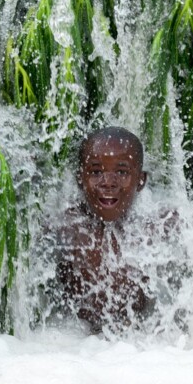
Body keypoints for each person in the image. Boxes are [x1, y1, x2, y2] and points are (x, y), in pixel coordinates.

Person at [48, 126, 158, 334]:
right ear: (80, 178)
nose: (108, 183)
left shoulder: (151, 228)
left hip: (140, 350)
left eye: (122, 172)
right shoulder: (65, 228)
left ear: (141, 180)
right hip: (74, 346)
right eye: (96, 172)